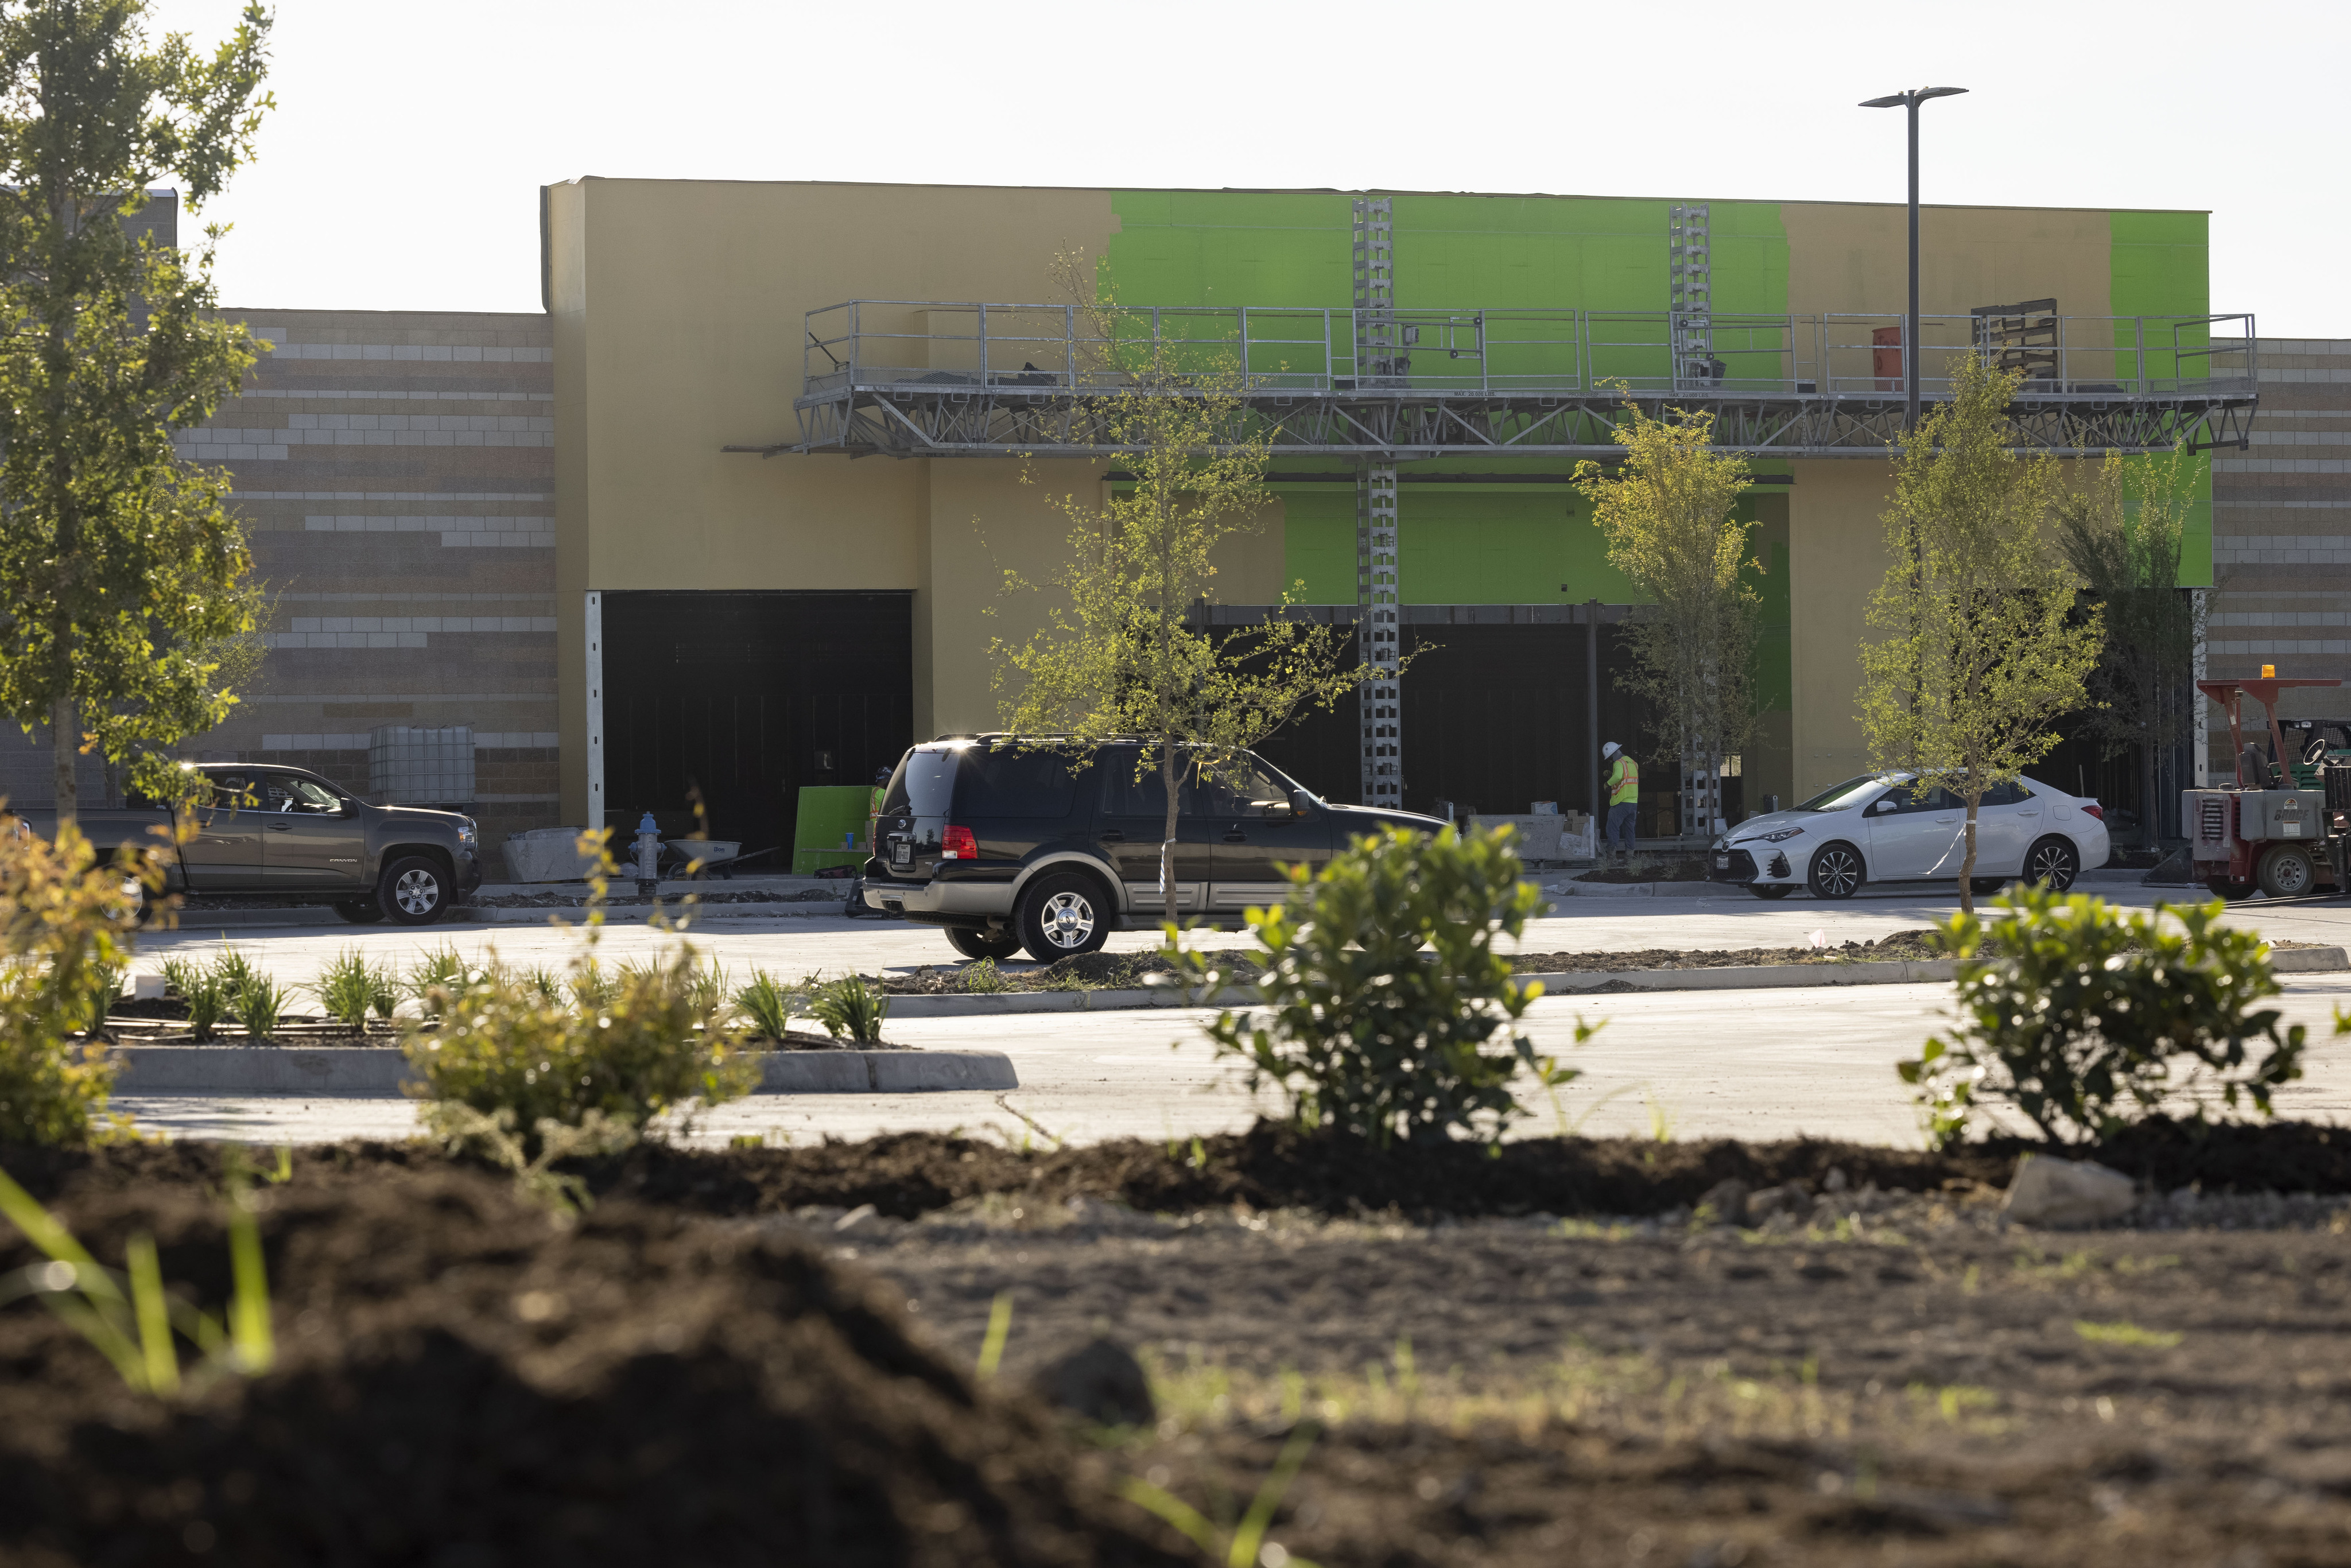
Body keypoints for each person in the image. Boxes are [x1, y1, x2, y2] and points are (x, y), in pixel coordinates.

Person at [1603, 741, 1639, 864]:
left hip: (1621, 801)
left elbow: (1618, 777)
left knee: (1612, 828)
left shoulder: (1618, 763)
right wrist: (1611, 775)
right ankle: (1629, 859)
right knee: (1630, 830)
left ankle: (1611, 859)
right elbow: (1625, 779)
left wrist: (1608, 783)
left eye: (1611, 758)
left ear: (1613, 754)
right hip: (1633, 802)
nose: (1611, 760)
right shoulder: (1633, 763)